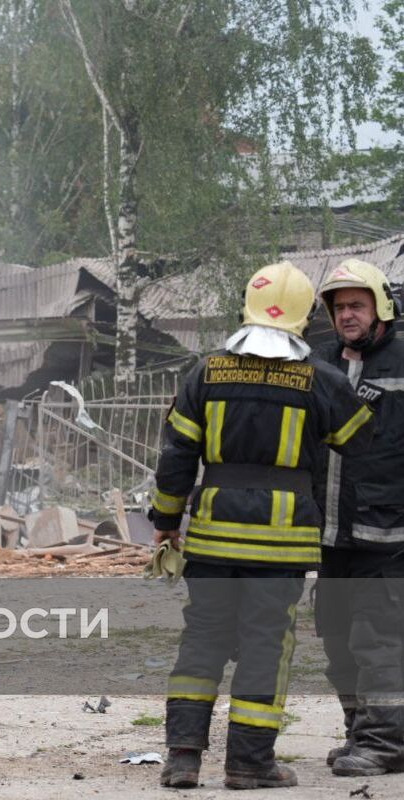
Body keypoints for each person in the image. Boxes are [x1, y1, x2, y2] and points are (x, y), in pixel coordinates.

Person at [151, 261, 373, 790]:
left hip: (211, 535)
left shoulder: (206, 371)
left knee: (201, 639)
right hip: (282, 541)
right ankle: (250, 764)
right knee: (264, 645)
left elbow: (176, 454)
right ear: (303, 318)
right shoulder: (320, 378)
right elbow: (360, 441)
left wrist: (165, 521)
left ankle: (182, 758)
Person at [313, 258, 404, 777]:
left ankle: (385, 743)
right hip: (331, 537)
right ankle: (360, 733)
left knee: (378, 641)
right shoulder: (320, 362)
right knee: (338, 641)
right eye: (339, 306)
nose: (347, 315)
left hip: (389, 537)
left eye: (357, 305)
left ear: (380, 307)